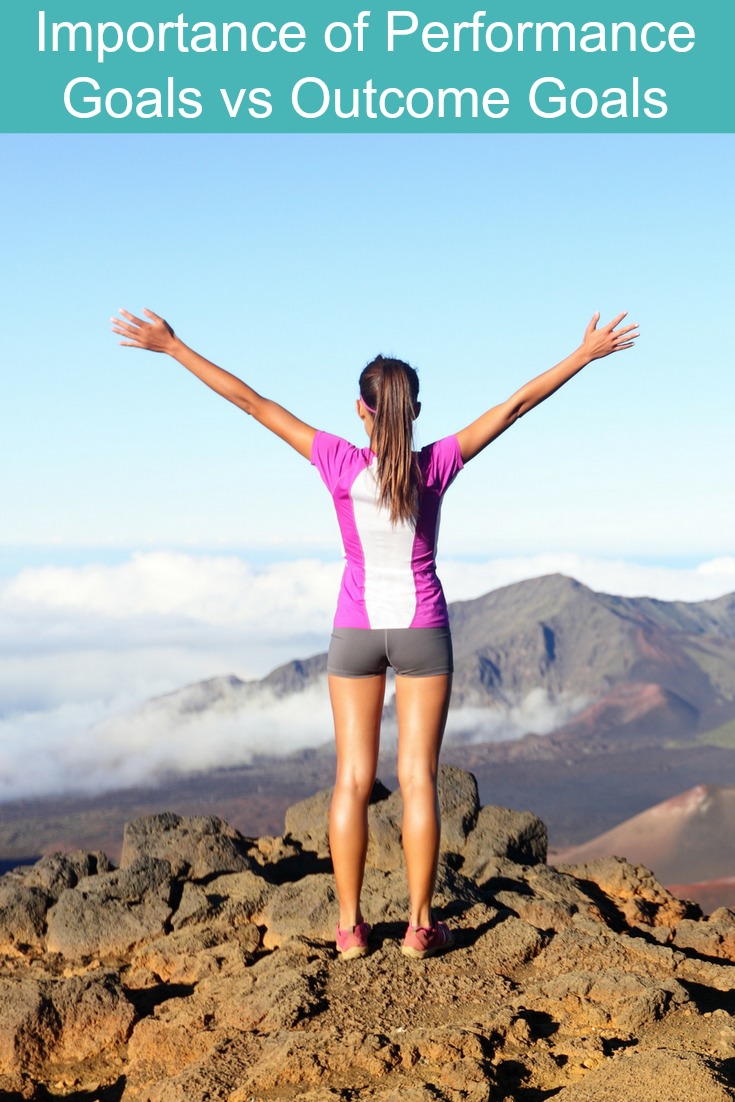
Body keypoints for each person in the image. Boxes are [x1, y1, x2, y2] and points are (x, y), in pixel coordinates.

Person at [111, 307, 639, 960]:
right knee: (417, 778)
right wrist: (582, 355)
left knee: (351, 780)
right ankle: (420, 927)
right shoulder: (437, 462)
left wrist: (172, 346)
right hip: (422, 630)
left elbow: (251, 402)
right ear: (414, 410)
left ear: (360, 410)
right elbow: (514, 407)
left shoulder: (335, 459)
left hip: (355, 631)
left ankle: (350, 927)